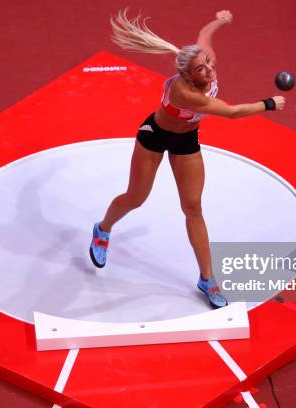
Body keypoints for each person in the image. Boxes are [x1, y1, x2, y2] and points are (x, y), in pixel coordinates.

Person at [89, 9, 286, 308]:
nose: (209, 70)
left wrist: (221, 20)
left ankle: (207, 279)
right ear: (187, 75)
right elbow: (232, 113)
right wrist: (268, 103)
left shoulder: (205, 61)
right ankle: (102, 229)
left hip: (186, 140)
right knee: (136, 197)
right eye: (201, 69)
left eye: (208, 63)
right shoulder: (185, 92)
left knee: (193, 208)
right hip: (154, 136)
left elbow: (205, 36)